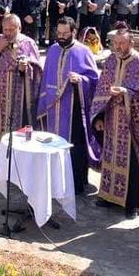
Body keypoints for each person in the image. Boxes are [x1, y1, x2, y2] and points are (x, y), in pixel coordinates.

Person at [90, 29, 139, 219]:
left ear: (131, 43)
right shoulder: (110, 60)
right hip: (111, 118)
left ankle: (131, 203)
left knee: (132, 161)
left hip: (130, 123)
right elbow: (101, 88)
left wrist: (126, 92)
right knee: (109, 156)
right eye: (115, 43)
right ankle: (108, 196)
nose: (118, 46)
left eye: (122, 43)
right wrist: (99, 117)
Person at [37, 17, 100, 195]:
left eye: (65, 33)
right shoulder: (53, 50)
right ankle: (53, 181)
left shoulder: (83, 51)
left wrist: (80, 80)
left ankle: (75, 183)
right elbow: (46, 77)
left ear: (73, 32)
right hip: (52, 107)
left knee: (74, 145)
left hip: (74, 108)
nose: (61, 36)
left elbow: (94, 80)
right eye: (59, 33)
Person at [0, 14, 43, 176]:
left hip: (19, 99)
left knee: (20, 128)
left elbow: (38, 70)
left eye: (12, 29)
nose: (8, 32)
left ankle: (17, 168)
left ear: (19, 28)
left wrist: (26, 68)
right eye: (5, 29)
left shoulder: (28, 44)